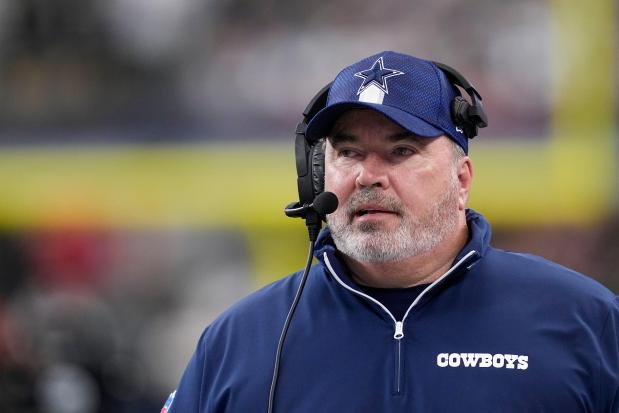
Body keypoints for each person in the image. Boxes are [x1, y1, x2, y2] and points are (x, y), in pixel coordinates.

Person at [163, 51, 619, 412]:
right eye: (349, 152)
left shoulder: (585, 321)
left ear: (461, 179)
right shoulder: (239, 340)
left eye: (401, 150)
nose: (368, 176)